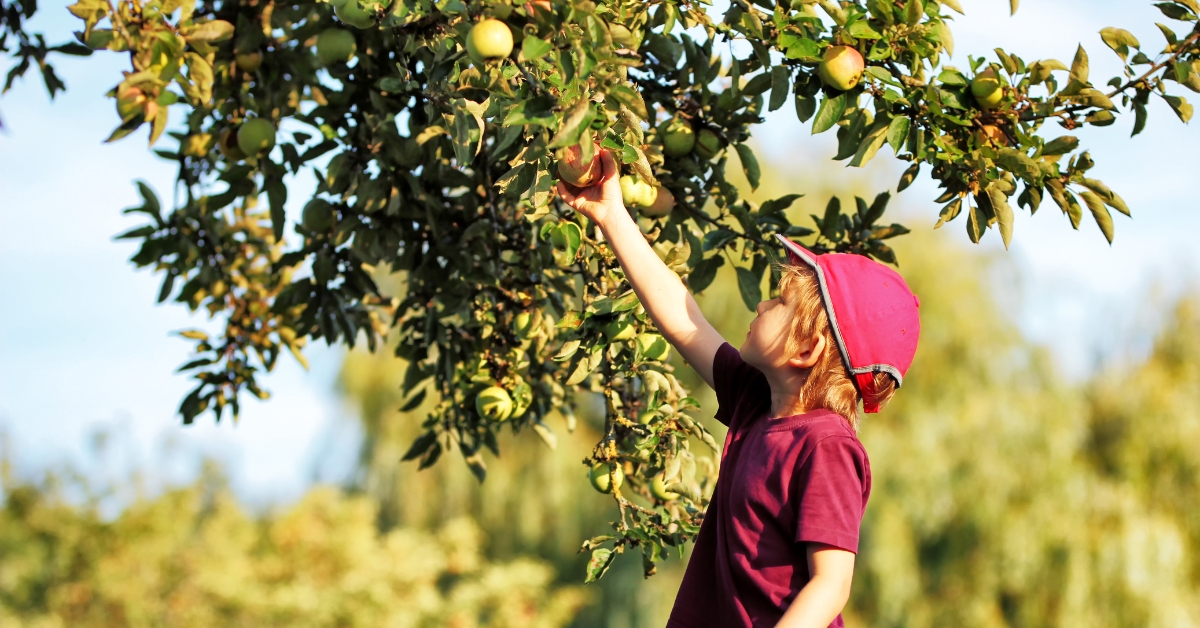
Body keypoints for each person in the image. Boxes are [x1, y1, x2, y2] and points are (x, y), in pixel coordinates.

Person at [557, 149, 921, 628]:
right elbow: (682, 319)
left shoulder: (826, 446)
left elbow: (831, 584)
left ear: (807, 349)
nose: (764, 302)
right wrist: (612, 215)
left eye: (781, 301)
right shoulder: (757, 404)